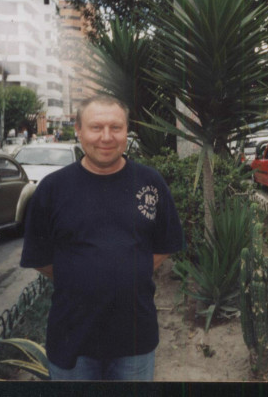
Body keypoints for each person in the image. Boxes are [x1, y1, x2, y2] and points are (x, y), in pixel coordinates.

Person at [20, 95, 184, 381]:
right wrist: (79, 277)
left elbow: (165, 244)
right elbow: (39, 257)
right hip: (72, 338)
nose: (106, 137)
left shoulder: (150, 183)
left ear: (127, 131)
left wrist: (129, 272)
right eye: (96, 127)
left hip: (135, 338)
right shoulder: (52, 189)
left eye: (116, 127)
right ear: (78, 130)